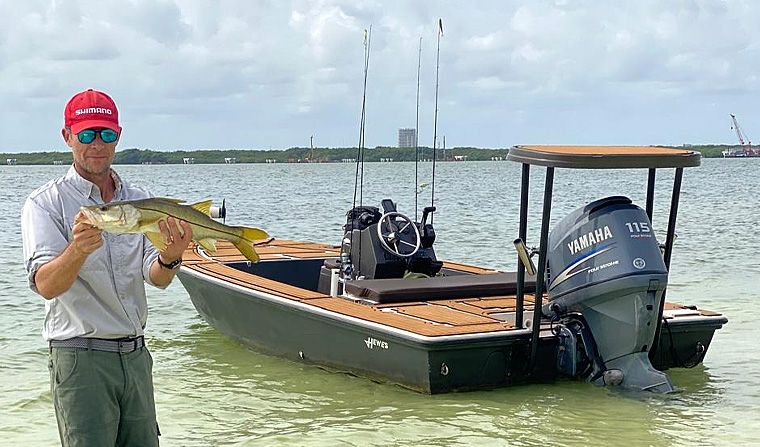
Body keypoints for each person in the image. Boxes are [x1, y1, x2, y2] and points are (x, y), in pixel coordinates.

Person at [21, 89, 192, 447]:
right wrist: (77, 251)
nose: (96, 144)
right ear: (67, 136)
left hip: (136, 356)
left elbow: (155, 277)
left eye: (106, 134)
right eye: (85, 135)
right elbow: (46, 285)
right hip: (80, 357)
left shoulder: (140, 198)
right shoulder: (45, 203)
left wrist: (172, 257)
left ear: (118, 136)